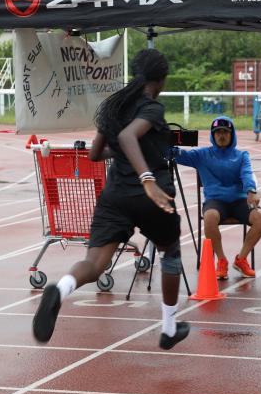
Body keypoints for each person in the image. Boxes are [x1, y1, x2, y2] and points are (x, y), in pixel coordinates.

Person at [33, 49, 189, 350]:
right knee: (171, 252)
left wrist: (123, 157)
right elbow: (130, 138)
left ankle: (62, 289)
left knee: (94, 263)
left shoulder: (113, 105)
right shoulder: (151, 108)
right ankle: (169, 328)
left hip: (115, 195)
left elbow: (95, 154)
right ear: (162, 79)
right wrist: (147, 181)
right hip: (149, 194)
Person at [174, 116, 261, 280]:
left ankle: (241, 259)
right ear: (212, 135)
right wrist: (163, 142)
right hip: (215, 202)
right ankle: (221, 260)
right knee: (209, 217)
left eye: (225, 132)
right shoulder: (201, 155)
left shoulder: (241, 155)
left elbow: (247, 174)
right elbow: (177, 155)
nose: (221, 135)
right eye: (217, 132)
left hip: (239, 202)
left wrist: (251, 190)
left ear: (232, 135)